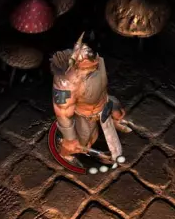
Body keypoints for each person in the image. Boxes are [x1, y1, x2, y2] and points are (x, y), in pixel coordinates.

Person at [51, 34, 128, 165]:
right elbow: (63, 112)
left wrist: (113, 105)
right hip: (85, 115)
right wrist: (70, 138)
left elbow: (101, 87)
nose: (85, 57)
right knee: (84, 141)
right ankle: (65, 155)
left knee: (113, 120)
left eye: (88, 52)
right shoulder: (65, 83)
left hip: (103, 105)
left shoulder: (98, 61)